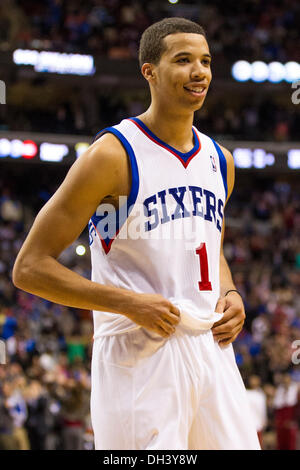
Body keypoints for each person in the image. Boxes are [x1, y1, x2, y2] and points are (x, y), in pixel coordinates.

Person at [12, 17, 260, 450]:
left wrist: (231, 292)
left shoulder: (220, 160)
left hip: (209, 347)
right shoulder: (111, 155)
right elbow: (30, 267)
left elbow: (208, 246)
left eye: (205, 61)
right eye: (182, 60)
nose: (199, 72)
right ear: (149, 71)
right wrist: (128, 303)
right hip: (137, 350)